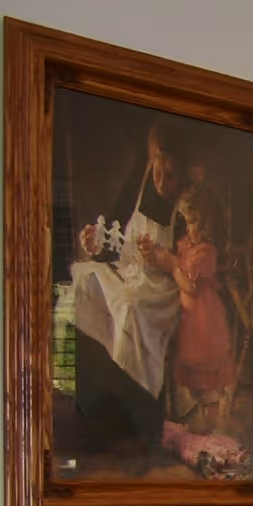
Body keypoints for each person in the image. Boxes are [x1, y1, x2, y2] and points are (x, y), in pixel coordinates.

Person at [67, 120, 192, 457]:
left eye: (171, 175)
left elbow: (190, 267)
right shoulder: (141, 183)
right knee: (83, 280)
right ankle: (90, 402)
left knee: (130, 309)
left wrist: (162, 258)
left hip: (164, 289)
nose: (162, 181)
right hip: (132, 272)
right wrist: (95, 242)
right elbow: (117, 238)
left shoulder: (188, 206)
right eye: (157, 173)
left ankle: (134, 418)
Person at [138, 186, 246, 477]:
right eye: (185, 221)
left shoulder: (206, 252)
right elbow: (172, 267)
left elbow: (192, 286)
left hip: (204, 323)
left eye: (194, 221)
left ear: (207, 224)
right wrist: (157, 258)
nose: (188, 228)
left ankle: (208, 426)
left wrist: (171, 263)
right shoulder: (187, 245)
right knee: (191, 378)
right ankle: (194, 425)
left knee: (207, 378)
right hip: (187, 322)